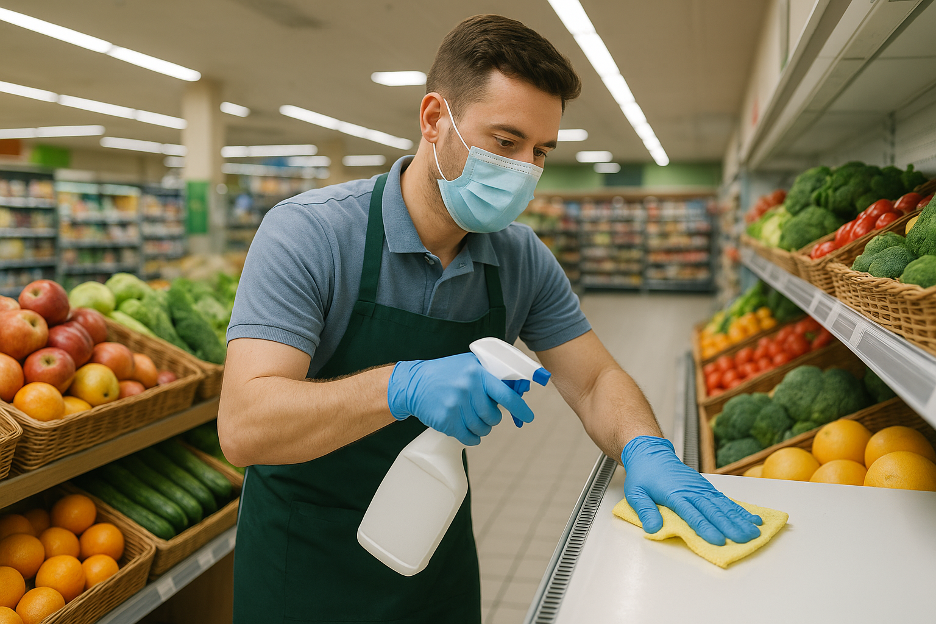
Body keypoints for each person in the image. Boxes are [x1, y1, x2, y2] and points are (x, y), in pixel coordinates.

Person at [219, 14, 762, 624]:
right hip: (306, 566)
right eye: (506, 143)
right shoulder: (311, 233)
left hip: (432, 560)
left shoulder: (519, 257)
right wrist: (403, 386)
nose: (524, 171)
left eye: (540, 152)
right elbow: (245, 424)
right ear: (433, 120)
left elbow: (593, 380)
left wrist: (645, 446)